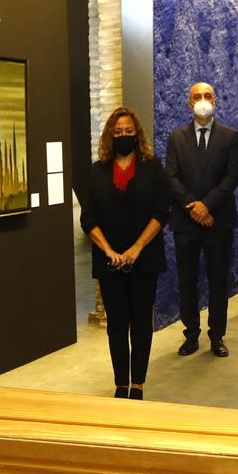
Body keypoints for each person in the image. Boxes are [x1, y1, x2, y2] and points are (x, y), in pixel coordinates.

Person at [77, 107, 169, 400]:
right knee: (116, 326)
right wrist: (109, 251)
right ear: (109, 136)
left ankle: (138, 384)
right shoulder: (96, 171)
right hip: (109, 262)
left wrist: (136, 248)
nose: (124, 137)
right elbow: (88, 219)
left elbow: (161, 212)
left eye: (129, 132)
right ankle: (120, 383)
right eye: (118, 133)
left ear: (137, 134)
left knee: (141, 324)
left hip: (145, 259)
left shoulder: (152, 167)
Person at [165, 80, 238, 358]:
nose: (202, 100)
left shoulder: (230, 136)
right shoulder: (176, 137)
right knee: (187, 280)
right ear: (189, 102)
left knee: (218, 281)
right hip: (186, 223)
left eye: (207, 95)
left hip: (218, 222)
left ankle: (217, 336)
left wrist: (206, 206)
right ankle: (191, 335)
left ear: (215, 100)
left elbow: (231, 177)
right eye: (197, 96)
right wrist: (193, 208)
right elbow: (171, 177)